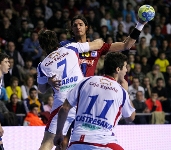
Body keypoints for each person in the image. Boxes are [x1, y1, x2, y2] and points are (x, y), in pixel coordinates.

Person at [58, 14, 147, 149]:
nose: (77, 27)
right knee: (61, 141)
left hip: (87, 95)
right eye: (74, 25)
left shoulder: (97, 47)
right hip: (69, 94)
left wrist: (140, 25)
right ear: (71, 29)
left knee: (76, 138)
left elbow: (126, 45)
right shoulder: (66, 46)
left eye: (80, 24)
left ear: (86, 27)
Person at [37, 29, 104, 150]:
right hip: (82, 101)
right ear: (57, 41)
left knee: (48, 143)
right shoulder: (71, 47)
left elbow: (41, 89)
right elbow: (99, 44)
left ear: (42, 47)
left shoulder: (42, 65)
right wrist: (97, 40)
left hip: (62, 104)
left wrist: (48, 81)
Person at [54, 52, 135, 150]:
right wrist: (126, 92)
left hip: (76, 142)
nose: (126, 70)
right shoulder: (121, 91)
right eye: (125, 67)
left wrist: (59, 133)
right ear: (118, 69)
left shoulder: (85, 81)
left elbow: (64, 109)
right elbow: (130, 118)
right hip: (102, 143)